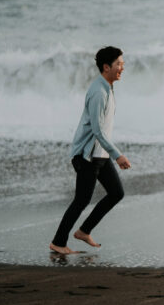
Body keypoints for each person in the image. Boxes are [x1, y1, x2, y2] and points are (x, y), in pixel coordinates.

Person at [49, 46, 131, 255]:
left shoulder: (107, 87)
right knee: (82, 199)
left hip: (99, 154)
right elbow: (97, 131)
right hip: (87, 156)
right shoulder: (98, 92)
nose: (122, 67)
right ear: (106, 67)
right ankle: (58, 242)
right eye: (119, 64)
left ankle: (84, 231)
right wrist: (118, 155)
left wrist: (109, 154)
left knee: (116, 193)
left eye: (122, 63)